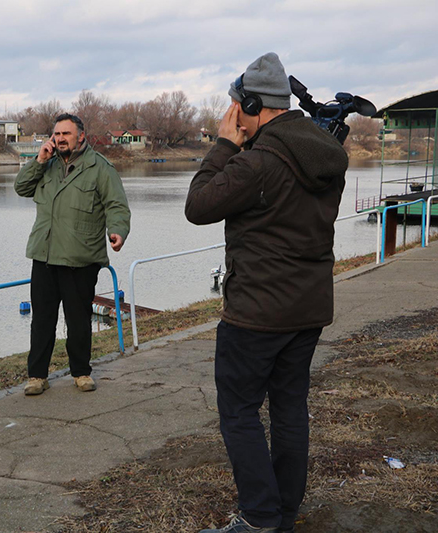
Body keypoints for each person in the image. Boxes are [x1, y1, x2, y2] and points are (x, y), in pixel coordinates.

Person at [185, 53, 347, 533]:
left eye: (237, 107)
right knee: (290, 409)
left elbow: (198, 204)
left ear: (252, 104)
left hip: (256, 314)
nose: (233, 115)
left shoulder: (257, 163)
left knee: (238, 413)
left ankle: (259, 519)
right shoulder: (324, 154)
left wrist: (222, 143)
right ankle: (283, 514)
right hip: (308, 307)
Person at [14, 113, 131, 396]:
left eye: (66, 133)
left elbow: (117, 205)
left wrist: (117, 230)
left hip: (81, 257)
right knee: (42, 320)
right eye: (57, 134)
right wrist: (39, 160)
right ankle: (37, 376)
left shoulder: (100, 168)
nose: (60, 138)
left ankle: (80, 372)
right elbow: (21, 188)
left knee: (78, 320)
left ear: (81, 136)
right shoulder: (47, 164)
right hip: (44, 254)